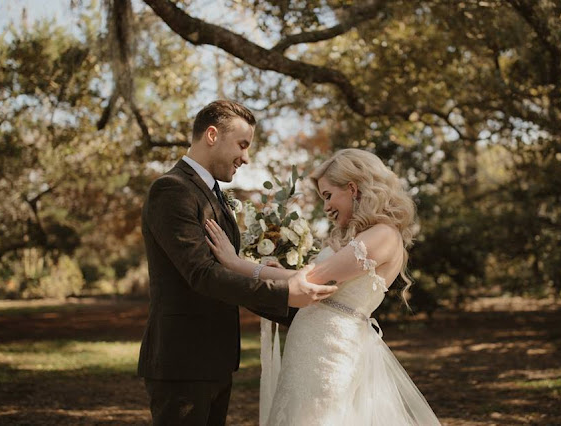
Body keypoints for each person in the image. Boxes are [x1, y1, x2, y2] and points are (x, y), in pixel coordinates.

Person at [205, 148, 441, 425]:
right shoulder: (367, 235)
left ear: (352, 188)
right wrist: (284, 273)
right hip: (314, 343)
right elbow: (317, 278)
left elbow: (315, 277)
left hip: (330, 350)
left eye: (328, 196)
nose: (326, 207)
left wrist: (236, 263)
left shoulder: (384, 234)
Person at [137, 100, 338, 425]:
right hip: (182, 362)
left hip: (215, 359)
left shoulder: (213, 194)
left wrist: (300, 311)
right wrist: (285, 295)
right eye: (242, 145)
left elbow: (227, 267)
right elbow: (203, 275)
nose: (246, 157)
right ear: (213, 135)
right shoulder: (171, 190)